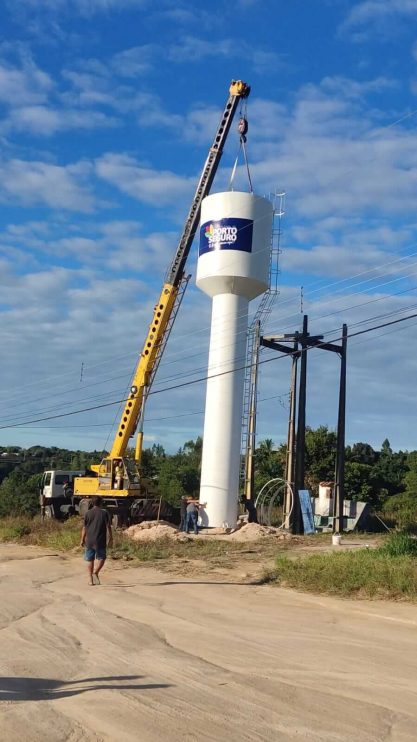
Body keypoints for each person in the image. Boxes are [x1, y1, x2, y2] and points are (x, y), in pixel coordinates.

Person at [80, 496, 113, 585]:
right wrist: (110, 538)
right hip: (100, 540)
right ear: (101, 503)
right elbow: (108, 527)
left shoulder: (87, 513)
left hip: (89, 541)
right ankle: (96, 572)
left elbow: (84, 528)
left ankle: (90, 580)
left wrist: (82, 539)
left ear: (92, 503)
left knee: (90, 560)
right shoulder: (104, 513)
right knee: (102, 558)